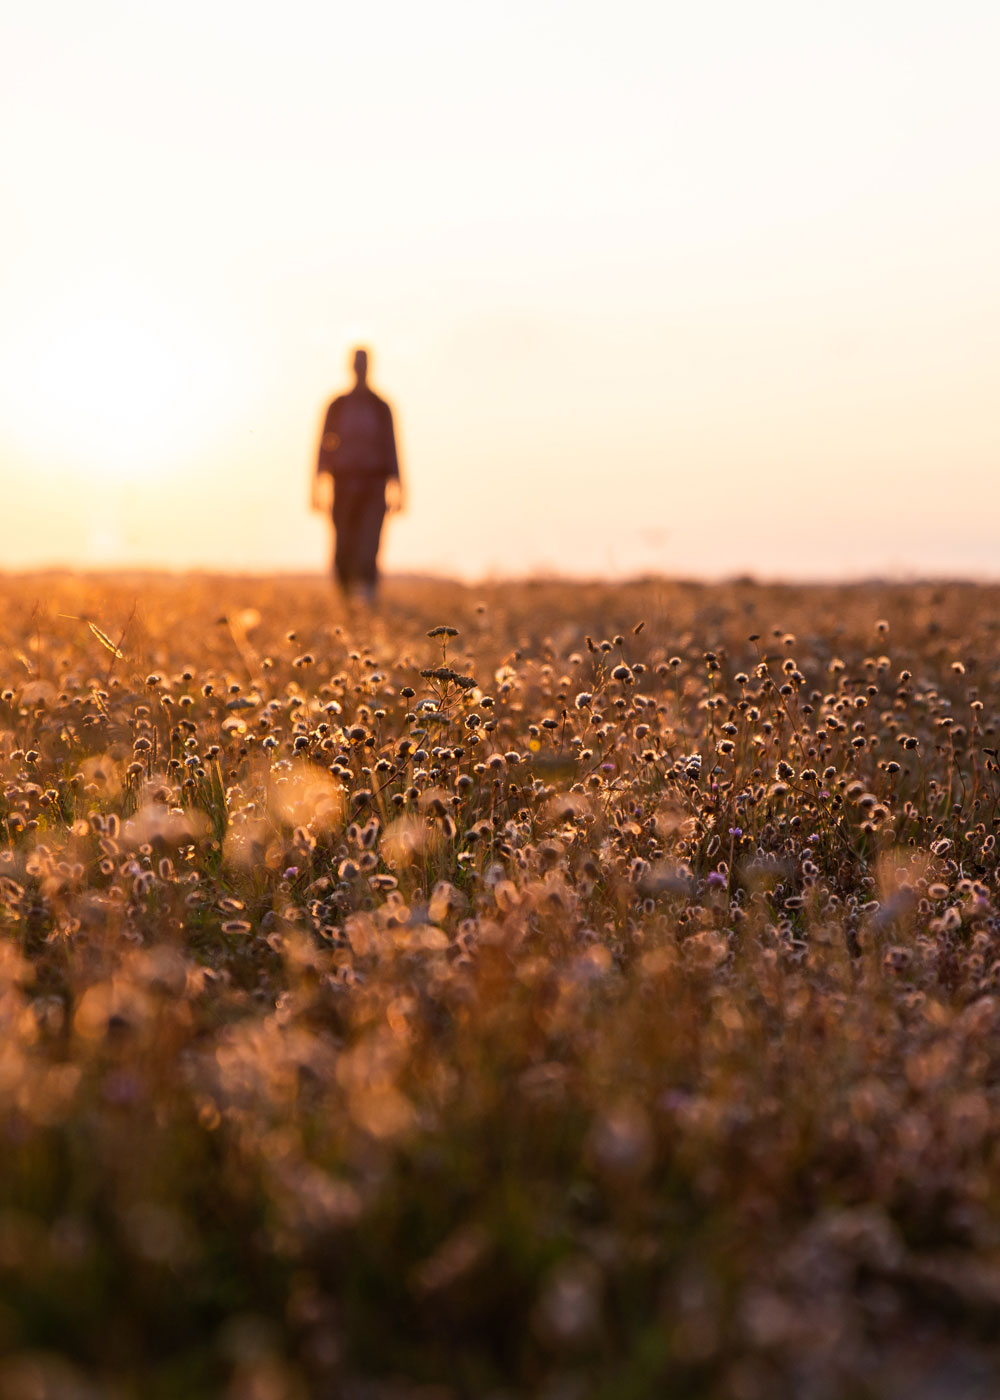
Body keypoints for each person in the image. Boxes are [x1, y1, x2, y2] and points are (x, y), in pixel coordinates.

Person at [311, 347, 404, 601]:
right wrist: (315, 487)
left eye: (364, 363)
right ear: (351, 366)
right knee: (344, 544)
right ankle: (344, 598)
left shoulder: (381, 407)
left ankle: (367, 596)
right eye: (357, 363)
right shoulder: (337, 406)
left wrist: (399, 487)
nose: (360, 367)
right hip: (342, 484)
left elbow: (392, 446)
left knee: (369, 543)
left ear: (369, 366)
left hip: (374, 485)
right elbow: (322, 446)